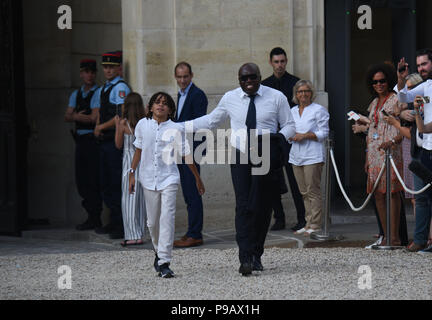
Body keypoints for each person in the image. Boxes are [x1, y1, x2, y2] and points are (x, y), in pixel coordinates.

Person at [185, 63, 296, 276]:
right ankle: (245, 257)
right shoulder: (230, 98)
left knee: (263, 206)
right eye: (243, 79)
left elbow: (289, 124)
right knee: (243, 205)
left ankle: (256, 254)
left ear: (259, 77)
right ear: (239, 80)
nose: (248, 82)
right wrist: (181, 126)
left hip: (265, 154)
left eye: (252, 78)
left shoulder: (276, 97)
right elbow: (211, 121)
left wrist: (277, 140)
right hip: (240, 155)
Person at [128, 92, 205, 278]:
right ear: (151, 106)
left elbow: (187, 154)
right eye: (157, 102)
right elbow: (138, 151)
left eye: (165, 103)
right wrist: (131, 173)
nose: (161, 105)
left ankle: (164, 262)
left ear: (170, 109)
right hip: (147, 178)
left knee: (167, 218)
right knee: (153, 221)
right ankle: (158, 251)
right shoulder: (142, 125)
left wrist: (197, 178)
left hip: (169, 178)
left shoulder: (176, 129)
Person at [355, 63, 404, 247]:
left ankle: (395, 237)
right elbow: (372, 129)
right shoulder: (374, 102)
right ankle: (386, 235)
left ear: (388, 81)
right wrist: (368, 156)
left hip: (391, 151)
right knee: (378, 195)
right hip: (375, 153)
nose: (379, 84)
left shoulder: (396, 99)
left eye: (382, 81)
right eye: (375, 82)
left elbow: (404, 128)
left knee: (392, 193)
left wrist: (392, 142)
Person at [262, 47, 306, 231]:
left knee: (295, 181)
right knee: (271, 180)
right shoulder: (264, 85)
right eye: (276, 62)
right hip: (271, 139)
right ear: (271, 63)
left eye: (282, 61)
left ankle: (302, 219)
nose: (280, 65)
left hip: (289, 139)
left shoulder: (295, 83)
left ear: (286, 61)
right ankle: (278, 218)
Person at [395, 50, 432, 253]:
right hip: (423, 149)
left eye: (424, 64)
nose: (421, 69)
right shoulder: (425, 86)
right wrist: (401, 79)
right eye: (419, 66)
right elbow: (403, 97)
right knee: (421, 197)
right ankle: (419, 240)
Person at [93, 51, 131, 239]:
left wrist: (100, 126)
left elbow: (119, 116)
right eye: (105, 67)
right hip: (104, 140)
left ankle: (120, 224)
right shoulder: (106, 88)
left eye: (111, 67)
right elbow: (102, 111)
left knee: (116, 183)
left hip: (113, 141)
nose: (107, 70)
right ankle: (113, 221)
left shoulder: (120, 88)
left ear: (118, 68)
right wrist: (98, 125)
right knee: (106, 183)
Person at [172, 62, 208, 248]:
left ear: (191, 75)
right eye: (179, 77)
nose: (182, 80)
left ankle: (195, 233)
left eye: (185, 76)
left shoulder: (198, 95)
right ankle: (191, 231)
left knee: (193, 191)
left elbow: (197, 124)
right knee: (188, 192)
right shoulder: (181, 94)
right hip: (182, 148)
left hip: (192, 150)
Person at [64, 59, 102, 231]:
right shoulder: (76, 94)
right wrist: (78, 117)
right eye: (86, 72)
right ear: (81, 73)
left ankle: (95, 217)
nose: (89, 75)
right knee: (82, 180)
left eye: (92, 72)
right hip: (80, 140)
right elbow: (66, 116)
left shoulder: (98, 92)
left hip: (92, 141)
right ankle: (90, 215)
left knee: (93, 179)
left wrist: (76, 116)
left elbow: (93, 118)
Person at [288, 80, 329, 236]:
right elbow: (288, 129)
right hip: (296, 156)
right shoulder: (292, 111)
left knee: (313, 191)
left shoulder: (318, 110)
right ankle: (308, 222)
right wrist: (289, 136)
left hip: (313, 155)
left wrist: (306, 135)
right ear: (296, 94)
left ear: (311, 93)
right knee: (303, 192)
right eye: (300, 91)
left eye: (306, 91)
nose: (303, 94)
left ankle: (316, 224)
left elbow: (324, 133)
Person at [114, 92, 146, 247]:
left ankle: (131, 235)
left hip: (129, 164)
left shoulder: (123, 124)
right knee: (140, 201)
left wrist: (116, 125)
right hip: (142, 162)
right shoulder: (144, 122)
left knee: (128, 200)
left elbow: (118, 145)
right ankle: (139, 233)